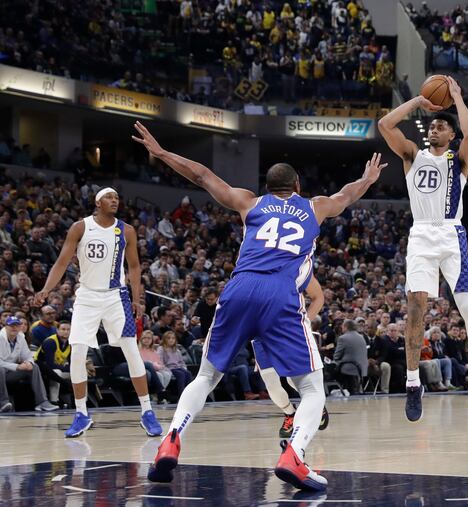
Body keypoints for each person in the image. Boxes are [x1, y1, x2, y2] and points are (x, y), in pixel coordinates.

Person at [132, 121, 386, 491]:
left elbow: (202, 175)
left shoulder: (249, 203)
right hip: (280, 293)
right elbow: (347, 195)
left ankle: (171, 440)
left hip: (239, 287)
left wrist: (162, 153)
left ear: (267, 188)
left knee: (205, 377)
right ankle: (294, 455)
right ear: (297, 186)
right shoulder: (315, 207)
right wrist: (368, 178)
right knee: (313, 388)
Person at [378, 76, 468, 422]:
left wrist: (457, 97)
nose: (435, 128)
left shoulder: (458, 160)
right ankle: (413, 385)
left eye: (442, 126)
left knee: (467, 306)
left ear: (451, 136)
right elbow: (385, 124)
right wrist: (417, 101)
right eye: (433, 126)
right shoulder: (412, 154)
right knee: (416, 308)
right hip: (420, 235)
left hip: (450, 234)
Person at [34, 188, 161, 438]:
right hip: (87, 296)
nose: (115, 200)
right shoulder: (80, 227)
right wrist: (46, 290)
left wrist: (137, 298)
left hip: (117, 296)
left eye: (117, 197)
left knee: (131, 351)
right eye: (109, 197)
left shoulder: (127, 230)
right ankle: (81, 413)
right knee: (78, 352)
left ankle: (147, 411)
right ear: (97, 202)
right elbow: (61, 262)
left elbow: (134, 267)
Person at [261, 277, 329, 439]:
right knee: (270, 383)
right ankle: (290, 414)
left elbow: (318, 297)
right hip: (261, 333)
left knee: (295, 377)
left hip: (289, 330)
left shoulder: (296, 261)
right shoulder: (252, 268)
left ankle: (315, 404)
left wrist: (304, 323)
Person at [0, 316, 59, 412]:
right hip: (3, 371)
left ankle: (42, 402)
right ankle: (3, 403)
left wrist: (29, 363)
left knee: (34, 367)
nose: (14, 328)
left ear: (19, 327)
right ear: (5, 327)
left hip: (11, 373)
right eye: (11, 325)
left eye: (16, 325)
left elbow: (27, 355)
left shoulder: (20, 337)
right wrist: (17, 366)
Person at [37, 320, 72, 406]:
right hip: (41, 370)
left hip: (58, 368)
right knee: (57, 372)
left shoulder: (71, 343)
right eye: (63, 329)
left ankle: (82, 401)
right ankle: (54, 400)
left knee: (80, 374)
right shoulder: (50, 342)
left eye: (68, 329)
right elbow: (50, 365)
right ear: (57, 330)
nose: (66, 331)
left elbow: (72, 363)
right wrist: (68, 368)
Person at [333, 319, 369, 392]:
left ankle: (335, 391)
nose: (341, 328)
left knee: (331, 370)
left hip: (350, 368)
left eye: (342, 326)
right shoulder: (361, 337)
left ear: (346, 327)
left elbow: (336, 356)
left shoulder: (343, 338)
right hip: (363, 368)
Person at [159, 331, 193, 397]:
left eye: (173, 338)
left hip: (178, 367)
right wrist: (166, 369)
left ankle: (190, 395)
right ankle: (181, 396)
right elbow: (160, 362)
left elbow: (181, 362)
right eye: (169, 338)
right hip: (169, 368)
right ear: (164, 339)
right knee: (181, 374)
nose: (171, 340)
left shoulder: (176, 350)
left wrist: (184, 368)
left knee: (188, 373)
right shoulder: (161, 349)